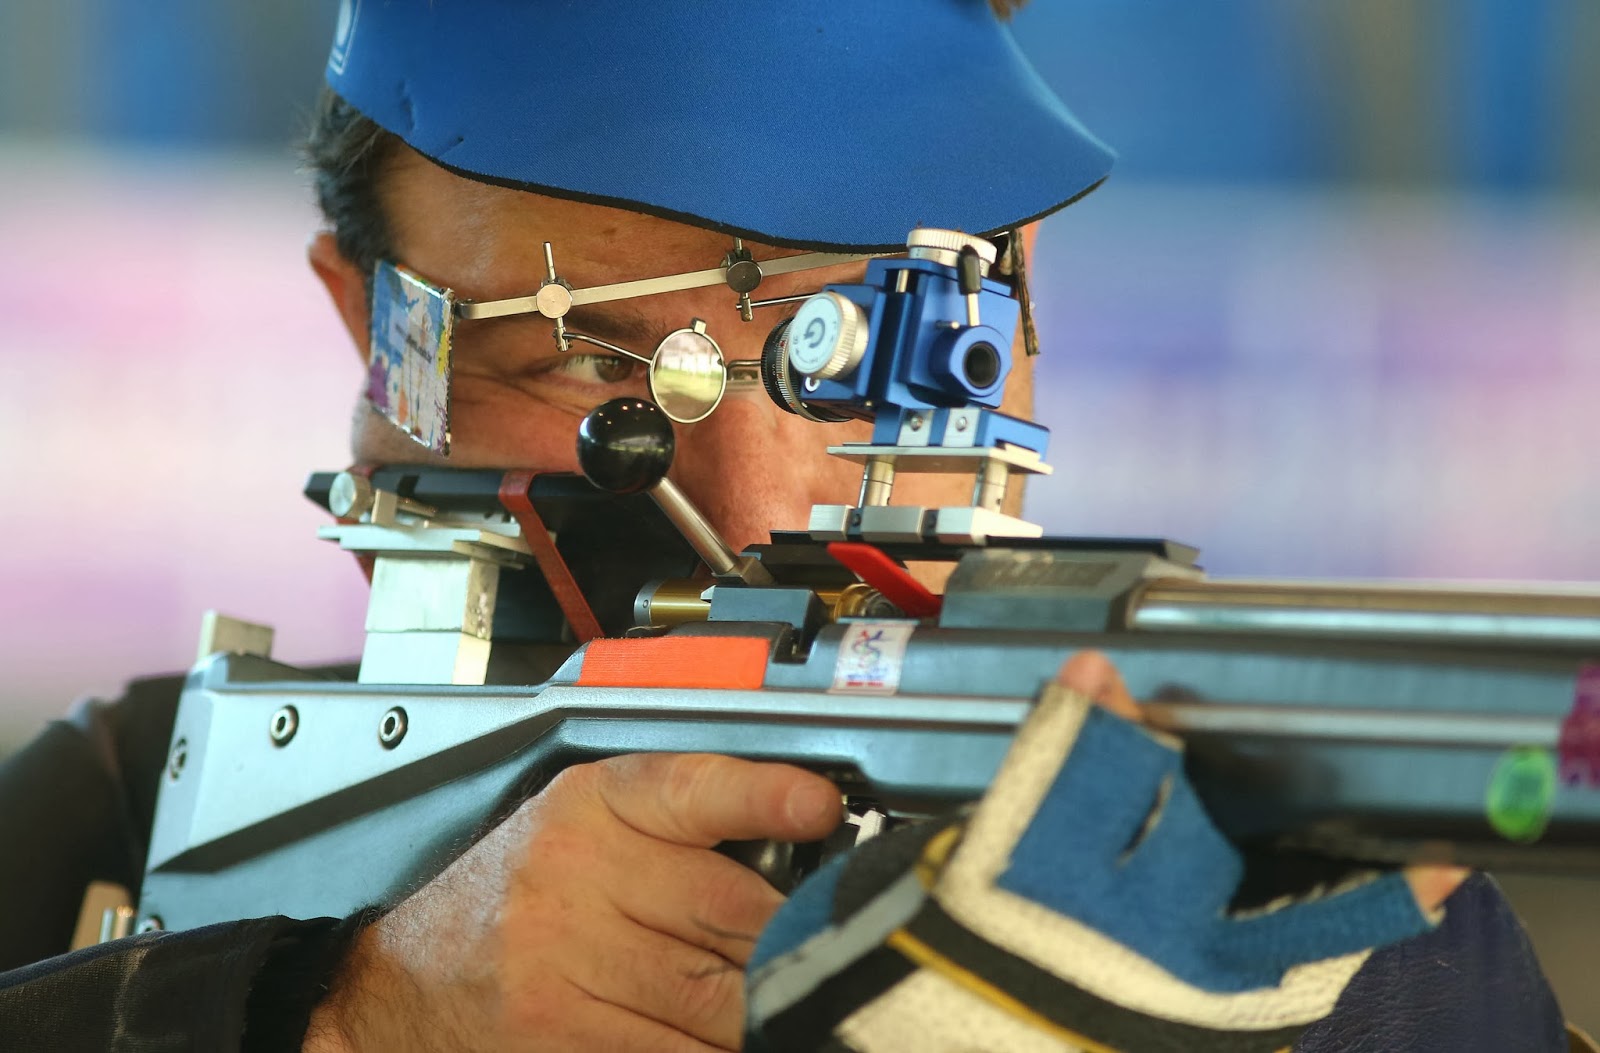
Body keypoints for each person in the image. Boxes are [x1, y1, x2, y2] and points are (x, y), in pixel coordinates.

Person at [0, 3, 1574, 1051]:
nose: (752, 510)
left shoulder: (1317, 917)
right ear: (372, 340)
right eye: (583, 364)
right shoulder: (113, 811)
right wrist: (346, 1015)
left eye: (868, 362)